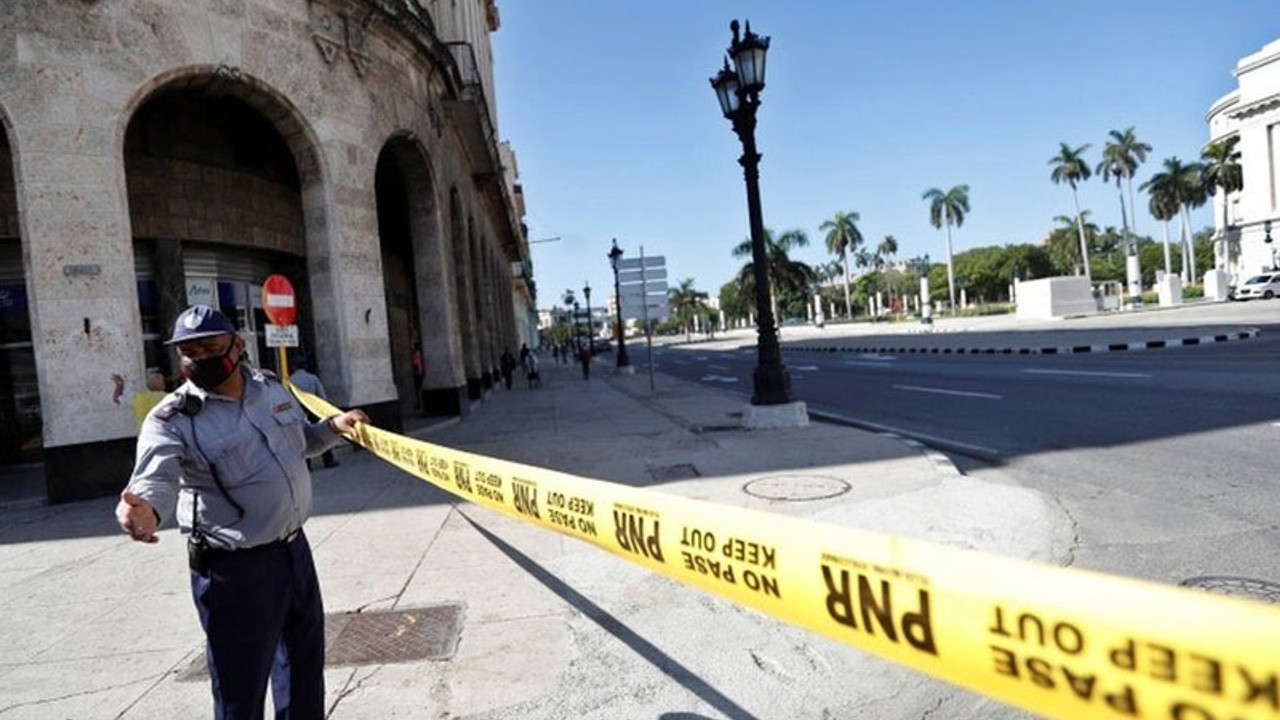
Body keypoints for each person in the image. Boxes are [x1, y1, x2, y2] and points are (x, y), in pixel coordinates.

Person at [115, 304, 368, 720]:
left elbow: (299, 443)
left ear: (237, 345)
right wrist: (145, 511)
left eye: (211, 347)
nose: (200, 359)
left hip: (293, 552)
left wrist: (333, 429)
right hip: (235, 571)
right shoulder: (172, 419)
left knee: (304, 670)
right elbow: (155, 478)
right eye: (189, 352)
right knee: (240, 689)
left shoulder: (269, 387)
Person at [289, 354, 339, 469]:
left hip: (298, 411)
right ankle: (328, 460)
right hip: (313, 409)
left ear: (293, 366)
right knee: (320, 434)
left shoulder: (290, 380)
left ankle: (307, 464)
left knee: (301, 436)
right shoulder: (312, 378)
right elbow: (322, 395)